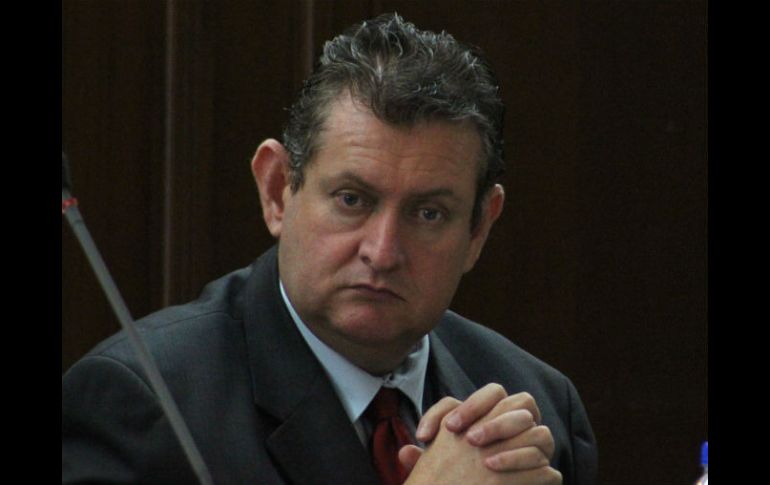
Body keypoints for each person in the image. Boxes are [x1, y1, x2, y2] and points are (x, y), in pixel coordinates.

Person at [62, 13, 597, 485]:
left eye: (429, 214)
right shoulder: (145, 403)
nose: (382, 253)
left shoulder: (540, 410)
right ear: (277, 190)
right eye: (351, 200)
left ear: (479, 229)